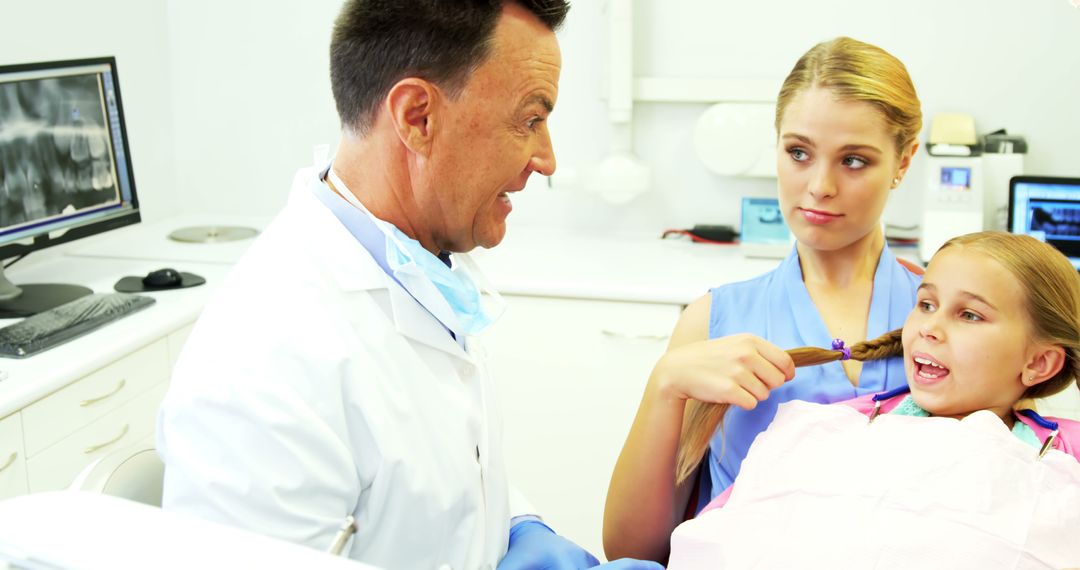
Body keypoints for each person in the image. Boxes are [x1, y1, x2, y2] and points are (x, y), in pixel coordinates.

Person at [156, 2, 660, 569]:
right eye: (530, 120)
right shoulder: (264, 366)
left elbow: (435, 484)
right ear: (418, 117)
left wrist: (516, 527)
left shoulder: (421, 262)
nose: (546, 160)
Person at [604, 36, 924, 562]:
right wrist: (665, 385)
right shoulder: (714, 320)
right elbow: (632, 550)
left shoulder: (951, 318)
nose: (819, 185)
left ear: (903, 161)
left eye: (854, 161)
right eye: (798, 152)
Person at [666, 231, 1080, 568]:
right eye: (926, 304)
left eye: (969, 315)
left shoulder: (1064, 456)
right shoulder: (832, 426)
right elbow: (729, 530)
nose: (929, 328)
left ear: (1040, 362)